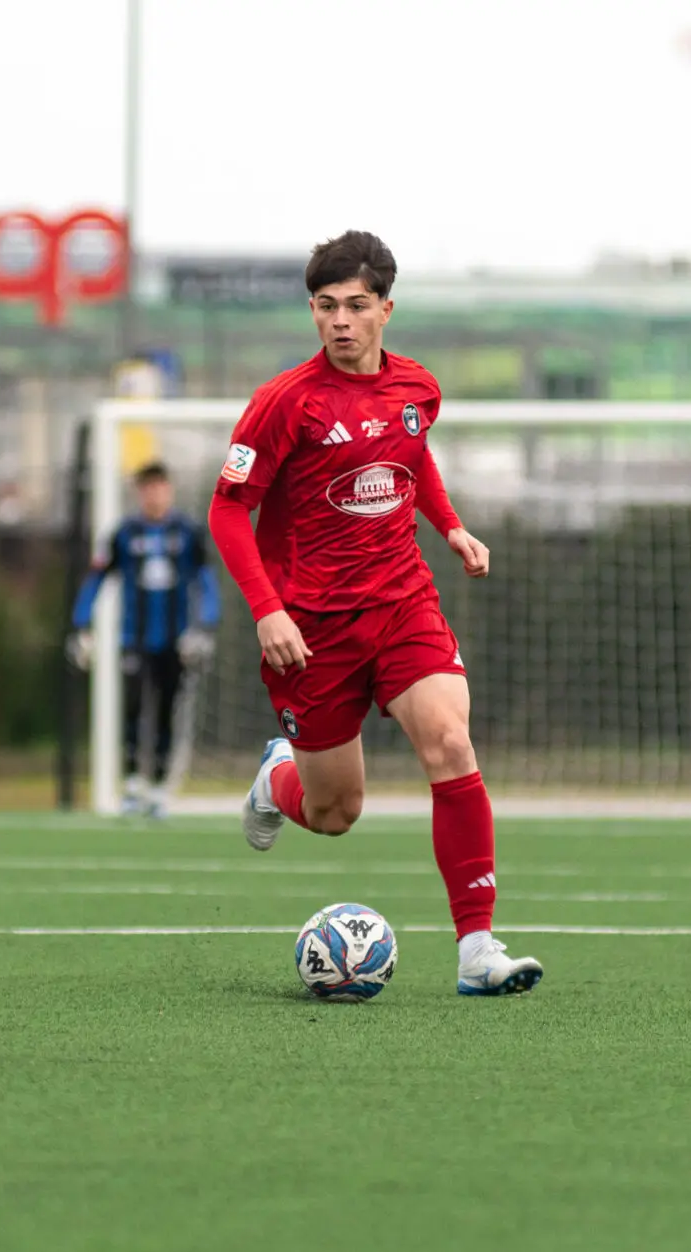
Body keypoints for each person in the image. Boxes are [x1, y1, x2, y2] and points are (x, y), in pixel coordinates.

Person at [206, 230, 544, 998]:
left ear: (386, 309)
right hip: (311, 630)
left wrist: (449, 523)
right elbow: (228, 513)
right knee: (333, 813)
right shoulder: (283, 405)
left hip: (402, 603)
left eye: (356, 306)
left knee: (450, 741)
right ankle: (277, 777)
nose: (340, 321)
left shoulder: (417, 388)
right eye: (325, 307)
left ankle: (478, 949)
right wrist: (268, 611)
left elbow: (410, 453)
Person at [69, 461, 221, 818]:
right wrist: (81, 625)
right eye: (146, 488)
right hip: (133, 639)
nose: (153, 494)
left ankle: (157, 785)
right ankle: (133, 782)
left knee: (168, 711)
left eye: (158, 487)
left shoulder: (188, 532)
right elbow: (96, 580)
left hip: (176, 641)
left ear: (168, 490)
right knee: (135, 708)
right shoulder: (124, 533)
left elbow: (206, 583)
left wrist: (204, 628)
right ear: (139, 492)